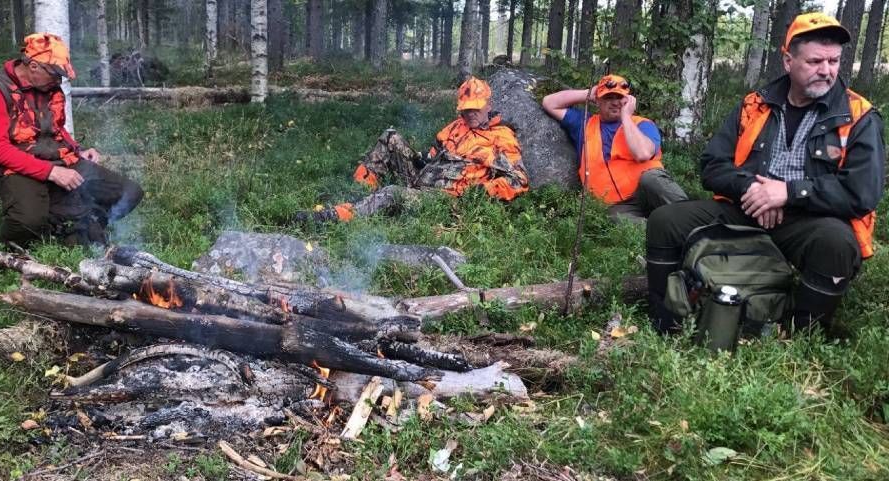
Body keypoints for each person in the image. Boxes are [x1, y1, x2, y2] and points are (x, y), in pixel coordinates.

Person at [645, 13, 885, 334]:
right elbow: (712, 165)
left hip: (810, 219)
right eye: (814, 61)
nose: (826, 71)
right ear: (788, 61)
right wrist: (753, 190)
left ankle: (801, 334)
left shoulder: (859, 115)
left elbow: (862, 192)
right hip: (747, 208)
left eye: (834, 61)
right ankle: (667, 321)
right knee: (665, 221)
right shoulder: (754, 105)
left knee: (838, 243)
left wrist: (787, 193)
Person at [0, 33, 143, 246]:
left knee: (130, 193)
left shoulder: (49, 87)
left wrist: (76, 150)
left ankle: (82, 223)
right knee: (29, 220)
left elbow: (55, 129)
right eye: (55, 74)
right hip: (14, 168)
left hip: (58, 160)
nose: (58, 81)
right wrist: (51, 172)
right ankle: (13, 252)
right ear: (34, 66)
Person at [298, 76, 529, 223]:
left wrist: (480, 192)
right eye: (465, 109)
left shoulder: (502, 137)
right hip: (423, 177)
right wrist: (422, 159)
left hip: (443, 199)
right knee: (391, 137)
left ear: (489, 104)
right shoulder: (457, 126)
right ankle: (358, 193)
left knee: (393, 193)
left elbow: (519, 180)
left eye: (475, 109)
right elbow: (434, 151)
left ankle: (336, 216)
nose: (470, 114)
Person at [542, 74, 687, 223]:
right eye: (608, 97)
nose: (615, 102)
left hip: (648, 191)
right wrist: (588, 93)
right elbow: (549, 103)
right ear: (597, 101)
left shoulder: (642, 124)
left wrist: (626, 117)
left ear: (628, 100)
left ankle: (692, 221)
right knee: (616, 219)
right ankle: (664, 232)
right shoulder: (584, 124)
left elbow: (642, 153)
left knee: (651, 179)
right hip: (618, 205)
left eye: (619, 98)